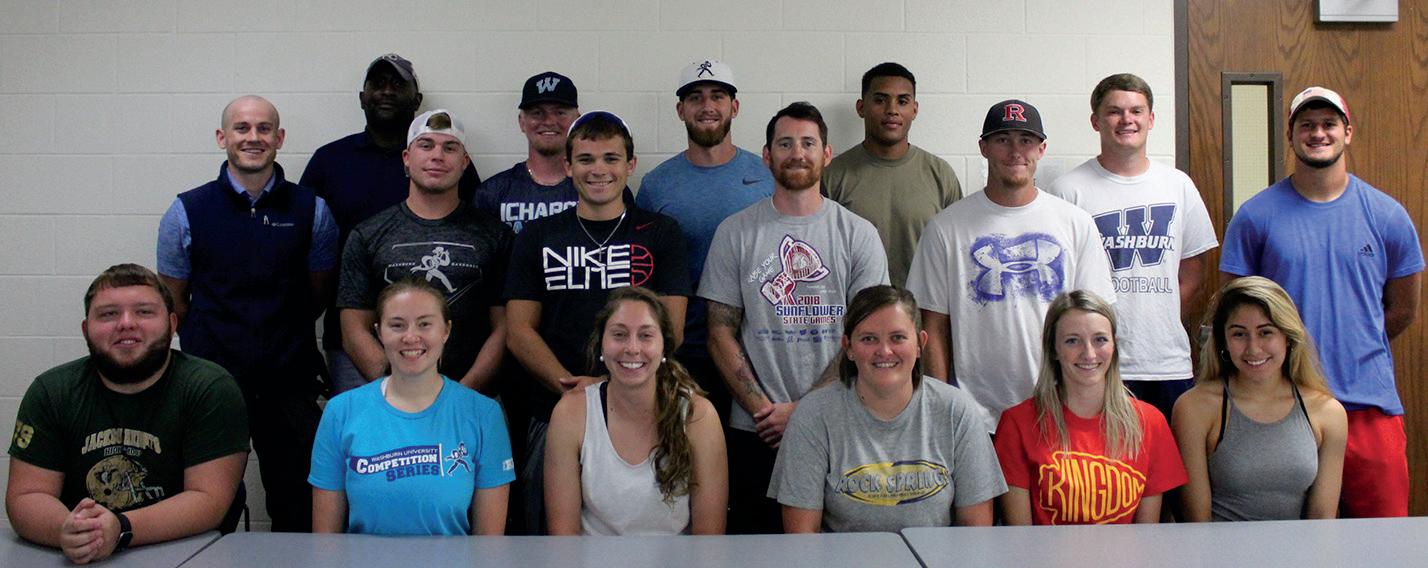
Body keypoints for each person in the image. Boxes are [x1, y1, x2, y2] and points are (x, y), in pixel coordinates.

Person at [1220, 86, 1423, 518]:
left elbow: (1403, 310)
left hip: (1368, 406)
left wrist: (1354, 340)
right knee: (1293, 540)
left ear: (1347, 132)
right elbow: (1232, 313)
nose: (1318, 133)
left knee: (1383, 538)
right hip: (1283, 406)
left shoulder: (1387, 215)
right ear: (1291, 135)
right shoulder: (1255, 217)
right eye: (1307, 125)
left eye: (1329, 124)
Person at [701, 101, 889, 534]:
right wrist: (763, 410)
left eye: (808, 143)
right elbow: (719, 331)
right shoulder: (735, 232)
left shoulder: (858, 234)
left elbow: (869, 336)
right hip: (757, 428)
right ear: (767, 156)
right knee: (759, 551)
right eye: (785, 144)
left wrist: (804, 412)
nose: (797, 153)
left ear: (827, 154)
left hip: (839, 423)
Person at [505, 110, 692, 534]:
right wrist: (574, 390)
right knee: (552, 536)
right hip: (555, 407)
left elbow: (672, 329)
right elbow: (518, 331)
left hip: (643, 410)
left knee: (643, 529)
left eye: (611, 158)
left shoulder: (661, 233)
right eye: (586, 159)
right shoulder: (538, 235)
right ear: (568, 166)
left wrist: (612, 389)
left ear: (631, 164)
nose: (598, 170)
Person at [156, 95, 336, 532]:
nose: (253, 137)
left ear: (279, 138)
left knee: (297, 507)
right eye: (241, 128)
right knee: (207, 507)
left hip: (289, 379)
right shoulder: (186, 211)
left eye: (263, 128)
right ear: (222, 138)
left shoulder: (312, 210)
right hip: (211, 381)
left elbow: (318, 294)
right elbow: (174, 302)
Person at [6, 264, 249, 564]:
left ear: (172, 323)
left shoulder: (210, 388)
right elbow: (26, 496)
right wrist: (69, 531)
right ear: (86, 329)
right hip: (83, 558)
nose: (126, 323)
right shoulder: (51, 392)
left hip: (188, 554)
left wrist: (120, 529)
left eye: (144, 312)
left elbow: (209, 501)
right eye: (108, 314)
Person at [906, 99, 1115, 432]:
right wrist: (944, 406)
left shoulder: (1075, 223)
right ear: (983, 148)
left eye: (1026, 140)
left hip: (1058, 405)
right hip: (975, 415)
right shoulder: (946, 228)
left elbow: (1094, 321)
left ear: (1041, 149)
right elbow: (933, 325)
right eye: (1003, 139)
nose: (1015, 151)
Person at [302, 54, 481, 393]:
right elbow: (306, 251)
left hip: (450, 348)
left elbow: (477, 236)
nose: (387, 91)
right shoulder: (330, 161)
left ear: (416, 99)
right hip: (356, 344)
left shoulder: (447, 163)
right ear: (362, 97)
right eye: (378, 84)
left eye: (398, 84)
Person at [1047, 73, 1218, 420]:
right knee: (1104, 456)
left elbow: (1193, 271)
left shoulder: (1178, 185)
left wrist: (1158, 317)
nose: (1127, 120)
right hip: (1094, 363)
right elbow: (1058, 283)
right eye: (1114, 111)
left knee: (1166, 455)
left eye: (1136, 111)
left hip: (1166, 362)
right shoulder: (1067, 190)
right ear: (1096, 121)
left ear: (1150, 119)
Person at [770, 285, 1004, 533]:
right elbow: (802, 538)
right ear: (848, 348)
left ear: (920, 344)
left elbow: (975, 532)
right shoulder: (813, 415)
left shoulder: (958, 411)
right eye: (868, 339)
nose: (884, 351)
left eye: (897, 337)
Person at [311, 279, 513, 535]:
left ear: (446, 330)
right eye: (397, 325)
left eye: (424, 324)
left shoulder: (484, 415)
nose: (410, 337)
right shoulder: (341, 412)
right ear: (379, 332)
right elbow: (326, 541)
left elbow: (489, 545)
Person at [637, 59, 775, 425]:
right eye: (695, 98)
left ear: (735, 106)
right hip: (686, 353)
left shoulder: (768, 176)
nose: (707, 106)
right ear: (680, 110)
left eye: (718, 96)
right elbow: (644, 274)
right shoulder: (656, 185)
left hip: (760, 351)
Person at [337, 109, 512, 394]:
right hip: (391, 398)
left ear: (464, 162)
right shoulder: (367, 235)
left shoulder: (497, 236)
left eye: (450, 148)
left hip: (472, 398)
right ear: (407, 158)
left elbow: (504, 327)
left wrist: (463, 393)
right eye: (426, 145)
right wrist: (396, 387)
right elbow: (353, 327)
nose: (437, 156)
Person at [544, 286, 727, 535]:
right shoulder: (571, 414)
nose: (632, 348)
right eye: (619, 335)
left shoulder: (698, 416)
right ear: (601, 344)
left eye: (645, 335)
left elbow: (709, 542)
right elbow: (563, 540)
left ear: (664, 347)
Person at [993, 290, 1186, 525]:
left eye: (1100, 339)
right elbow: (1019, 537)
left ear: (1114, 346)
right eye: (1072, 341)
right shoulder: (1017, 423)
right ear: (1053, 349)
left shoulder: (1150, 422)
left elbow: (1146, 533)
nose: (1089, 353)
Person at [1172, 277, 1348, 521]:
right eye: (1239, 334)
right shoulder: (1194, 408)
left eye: (1266, 332)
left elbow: (1322, 518)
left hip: (1301, 546)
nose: (1253, 348)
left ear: (1288, 336)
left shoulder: (1328, 412)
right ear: (1223, 341)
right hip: (1220, 546)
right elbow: (1196, 522)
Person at [823, 62, 963, 288]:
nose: (892, 110)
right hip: (855, 306)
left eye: (902, 101)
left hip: (923, 307)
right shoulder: (832, 176)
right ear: (861, 107)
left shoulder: (940, 174)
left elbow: (958, 252)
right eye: (880, 100)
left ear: (914, 110)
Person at [477, 71, 633, 233]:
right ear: (522, 122)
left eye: (560, 113)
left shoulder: (605, 186)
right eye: (537, 113)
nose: (549, 121)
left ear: (577, 121)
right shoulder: (493, 192)